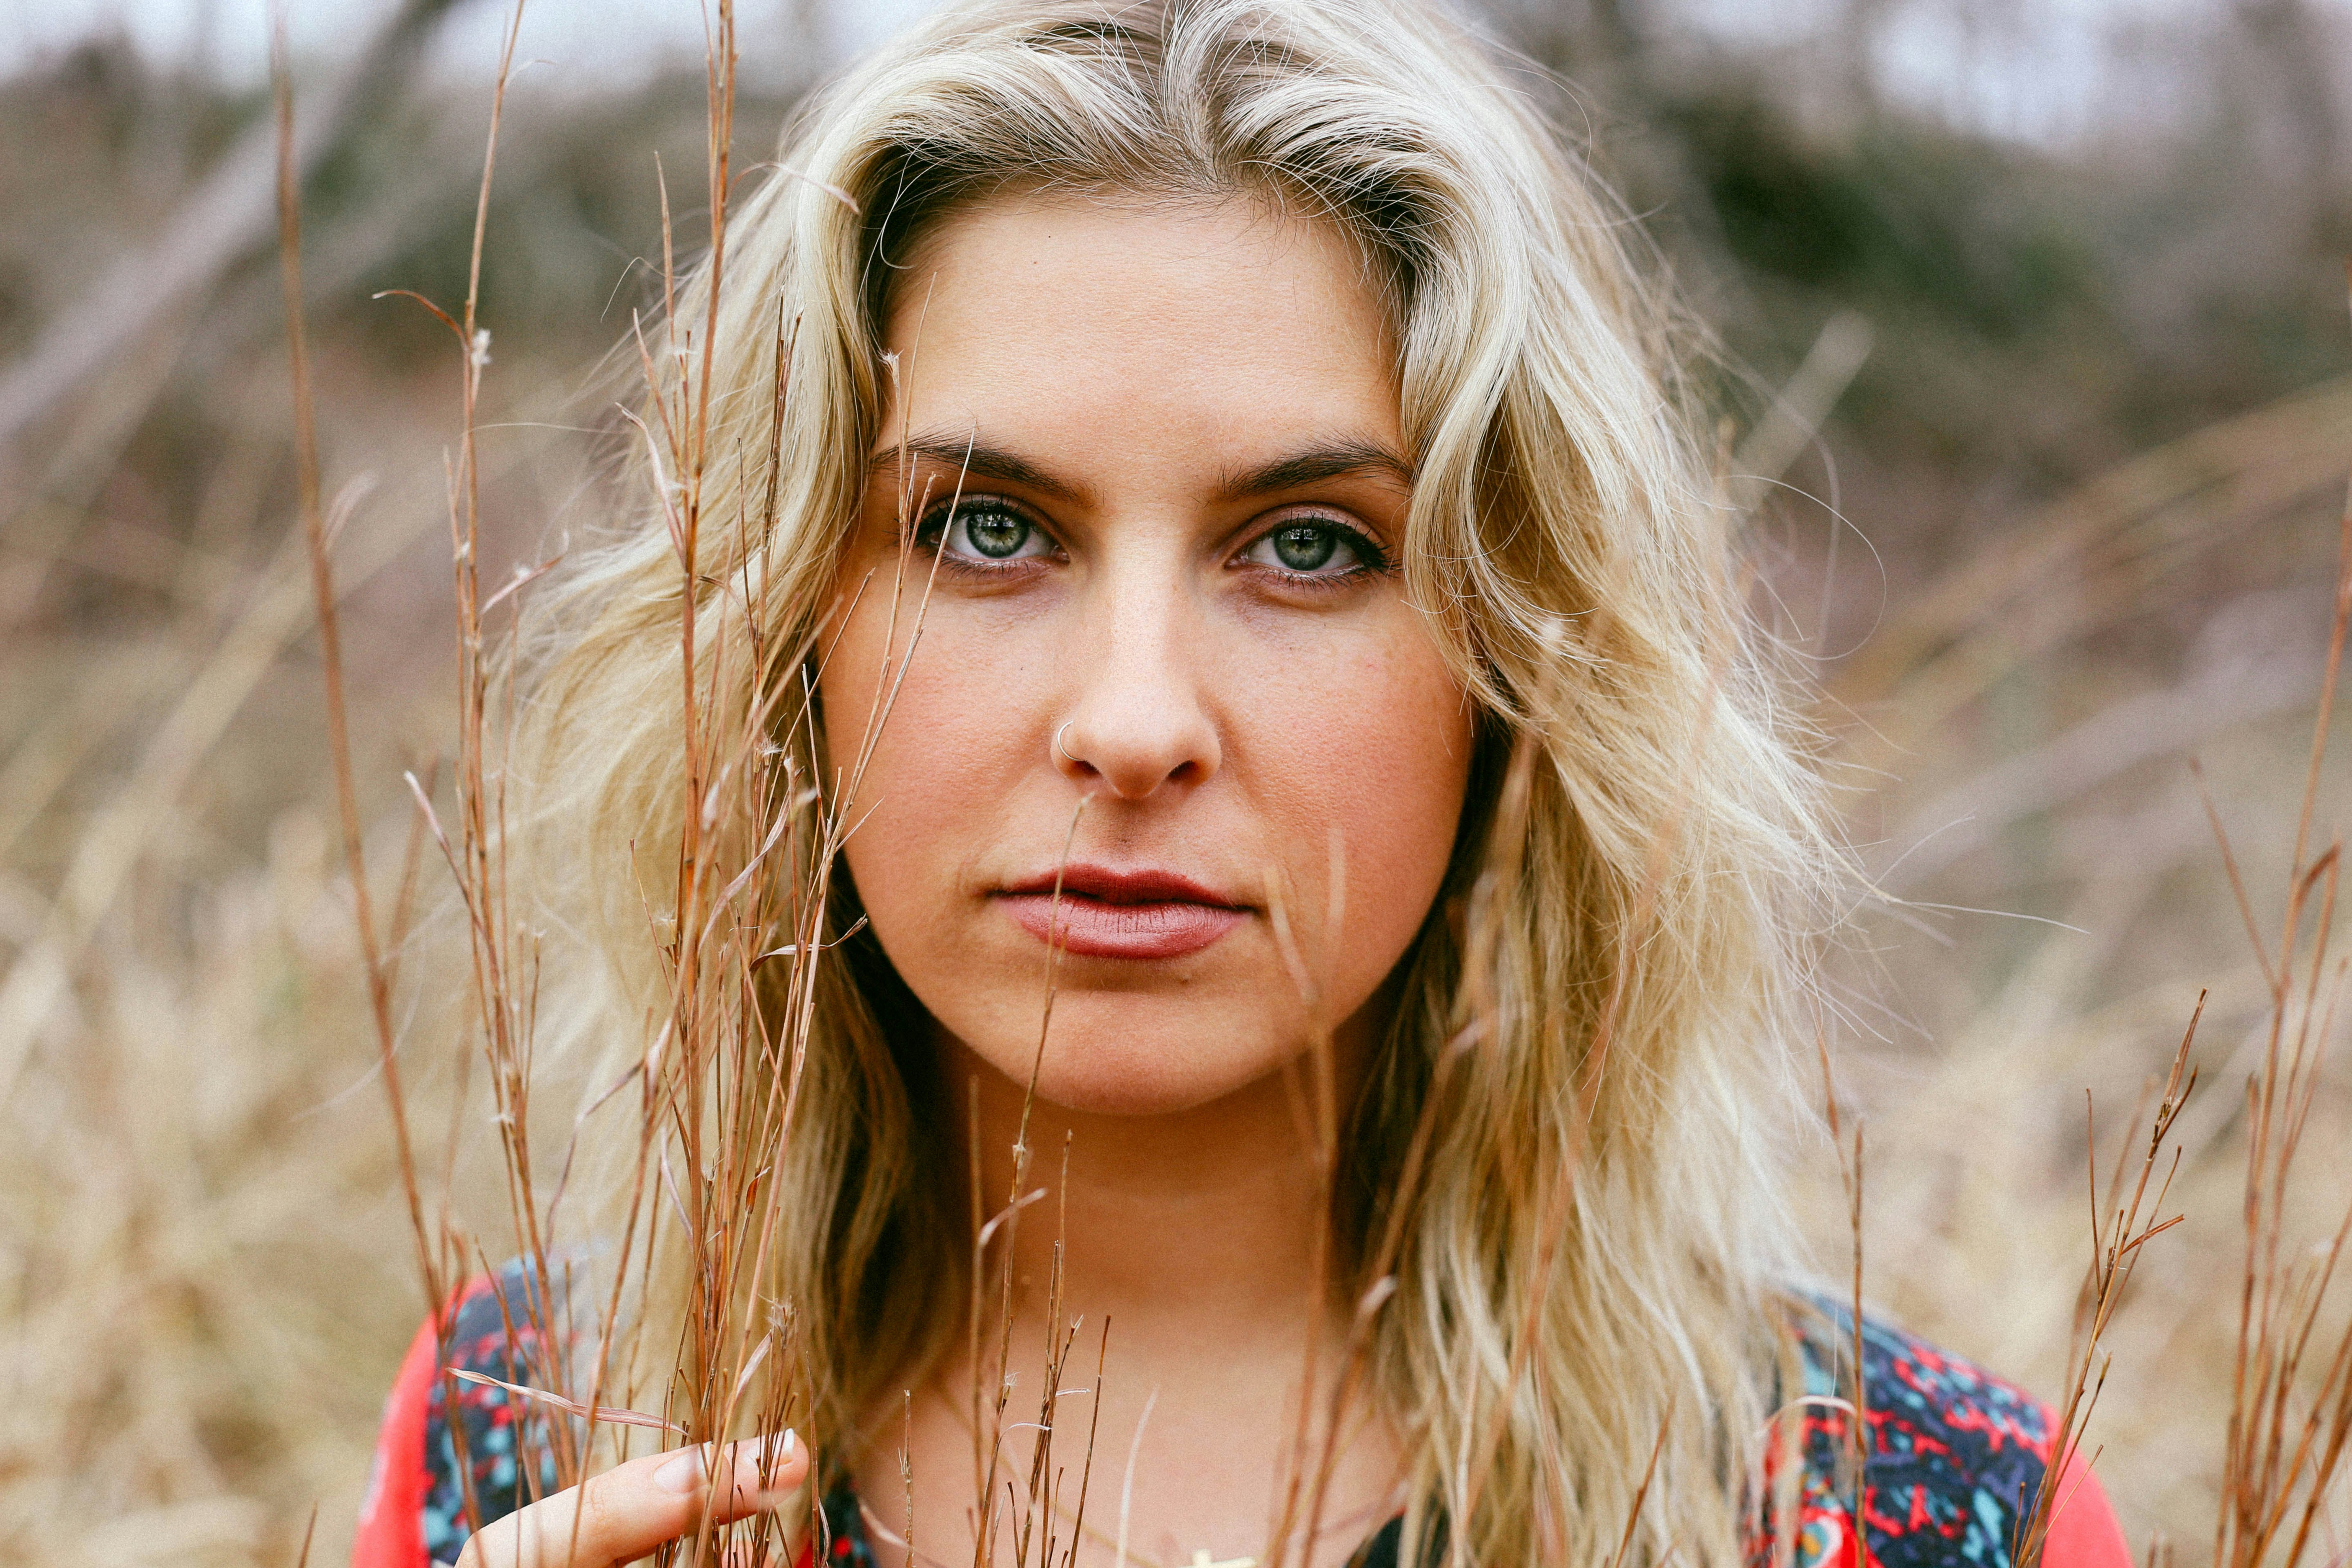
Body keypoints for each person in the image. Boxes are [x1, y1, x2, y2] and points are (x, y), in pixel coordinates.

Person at [349, 2, 2135, 1564]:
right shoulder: (530, 1435)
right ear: (781, 638)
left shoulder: (1922, 1519)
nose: (1135, 725)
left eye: (1309, 544)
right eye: (987, 529)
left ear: (1518, 674)